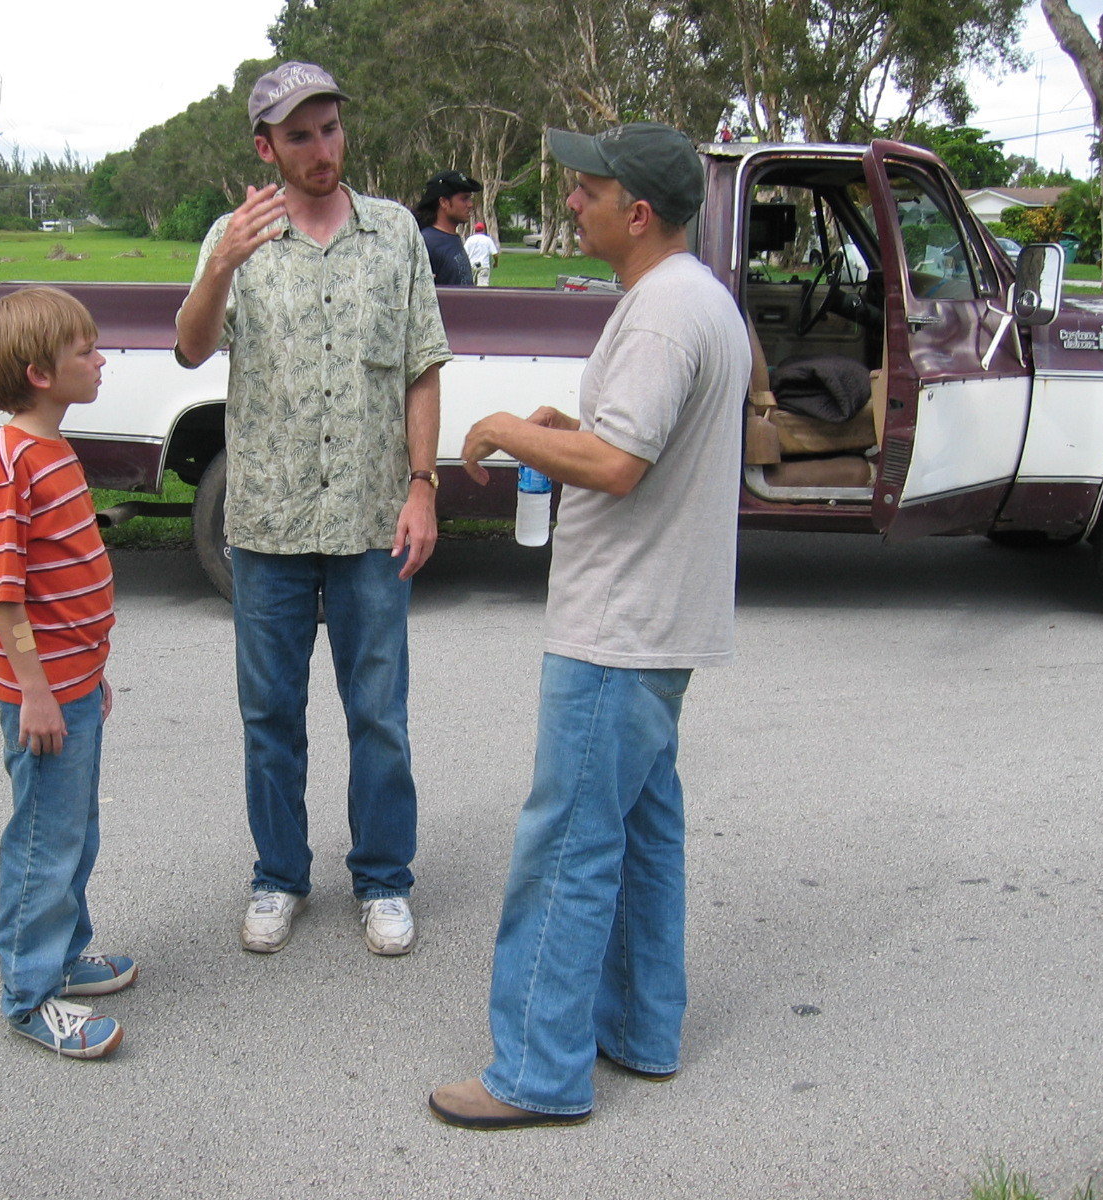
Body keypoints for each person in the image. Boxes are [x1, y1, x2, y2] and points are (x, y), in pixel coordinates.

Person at [430, 122, 750, 1129]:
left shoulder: (661, 313)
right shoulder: (698, 302)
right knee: (641, 835)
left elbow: (622, 469)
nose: (572, 204)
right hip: (663, 622)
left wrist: (505, 432)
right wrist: (567, 431)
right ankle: (642, 1031)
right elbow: (626, 443)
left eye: (586, 191)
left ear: (638, 212)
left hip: (618, 626)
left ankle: (535, 1069)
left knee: (565, 845)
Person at [175, 62, 450, 957]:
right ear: (266, 148)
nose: (322, 149)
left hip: (374, 520)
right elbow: (190, 349)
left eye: (330, 129)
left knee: (379, 711)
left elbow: (421, 366)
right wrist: (221, 266)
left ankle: (382, 878)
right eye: (300, 136)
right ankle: (279, 875)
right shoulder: (235, 240)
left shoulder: (397, 234)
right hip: (267, 524)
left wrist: (422, 486)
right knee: (269, 712)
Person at [0, 286, 135, 1058]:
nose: (100, 359)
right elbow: (4, 599)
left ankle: (66, 956)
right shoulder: (12, 465)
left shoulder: (52, 450)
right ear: (40, 372)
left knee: (74, 830)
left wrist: (87, 671)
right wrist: (37, 690)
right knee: (44, 838)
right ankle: (29, 994)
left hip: (72, 684)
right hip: (43, 694)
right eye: (85, 351)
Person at [414, 169, 481, 286]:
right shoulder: (427, 242)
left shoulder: (452, 238)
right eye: (464, 199)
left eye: (470, 199)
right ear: (444, 202)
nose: (470, 205)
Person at [464, 221, 499, 287]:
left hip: (472, 266)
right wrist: (496, 262)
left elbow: (464, 253)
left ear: (475, 230)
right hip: (484, 266)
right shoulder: (488, 239)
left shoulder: (470, 239)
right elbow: (495, 254)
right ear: (483, 230)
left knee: (471, 286)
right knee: (483, 287)